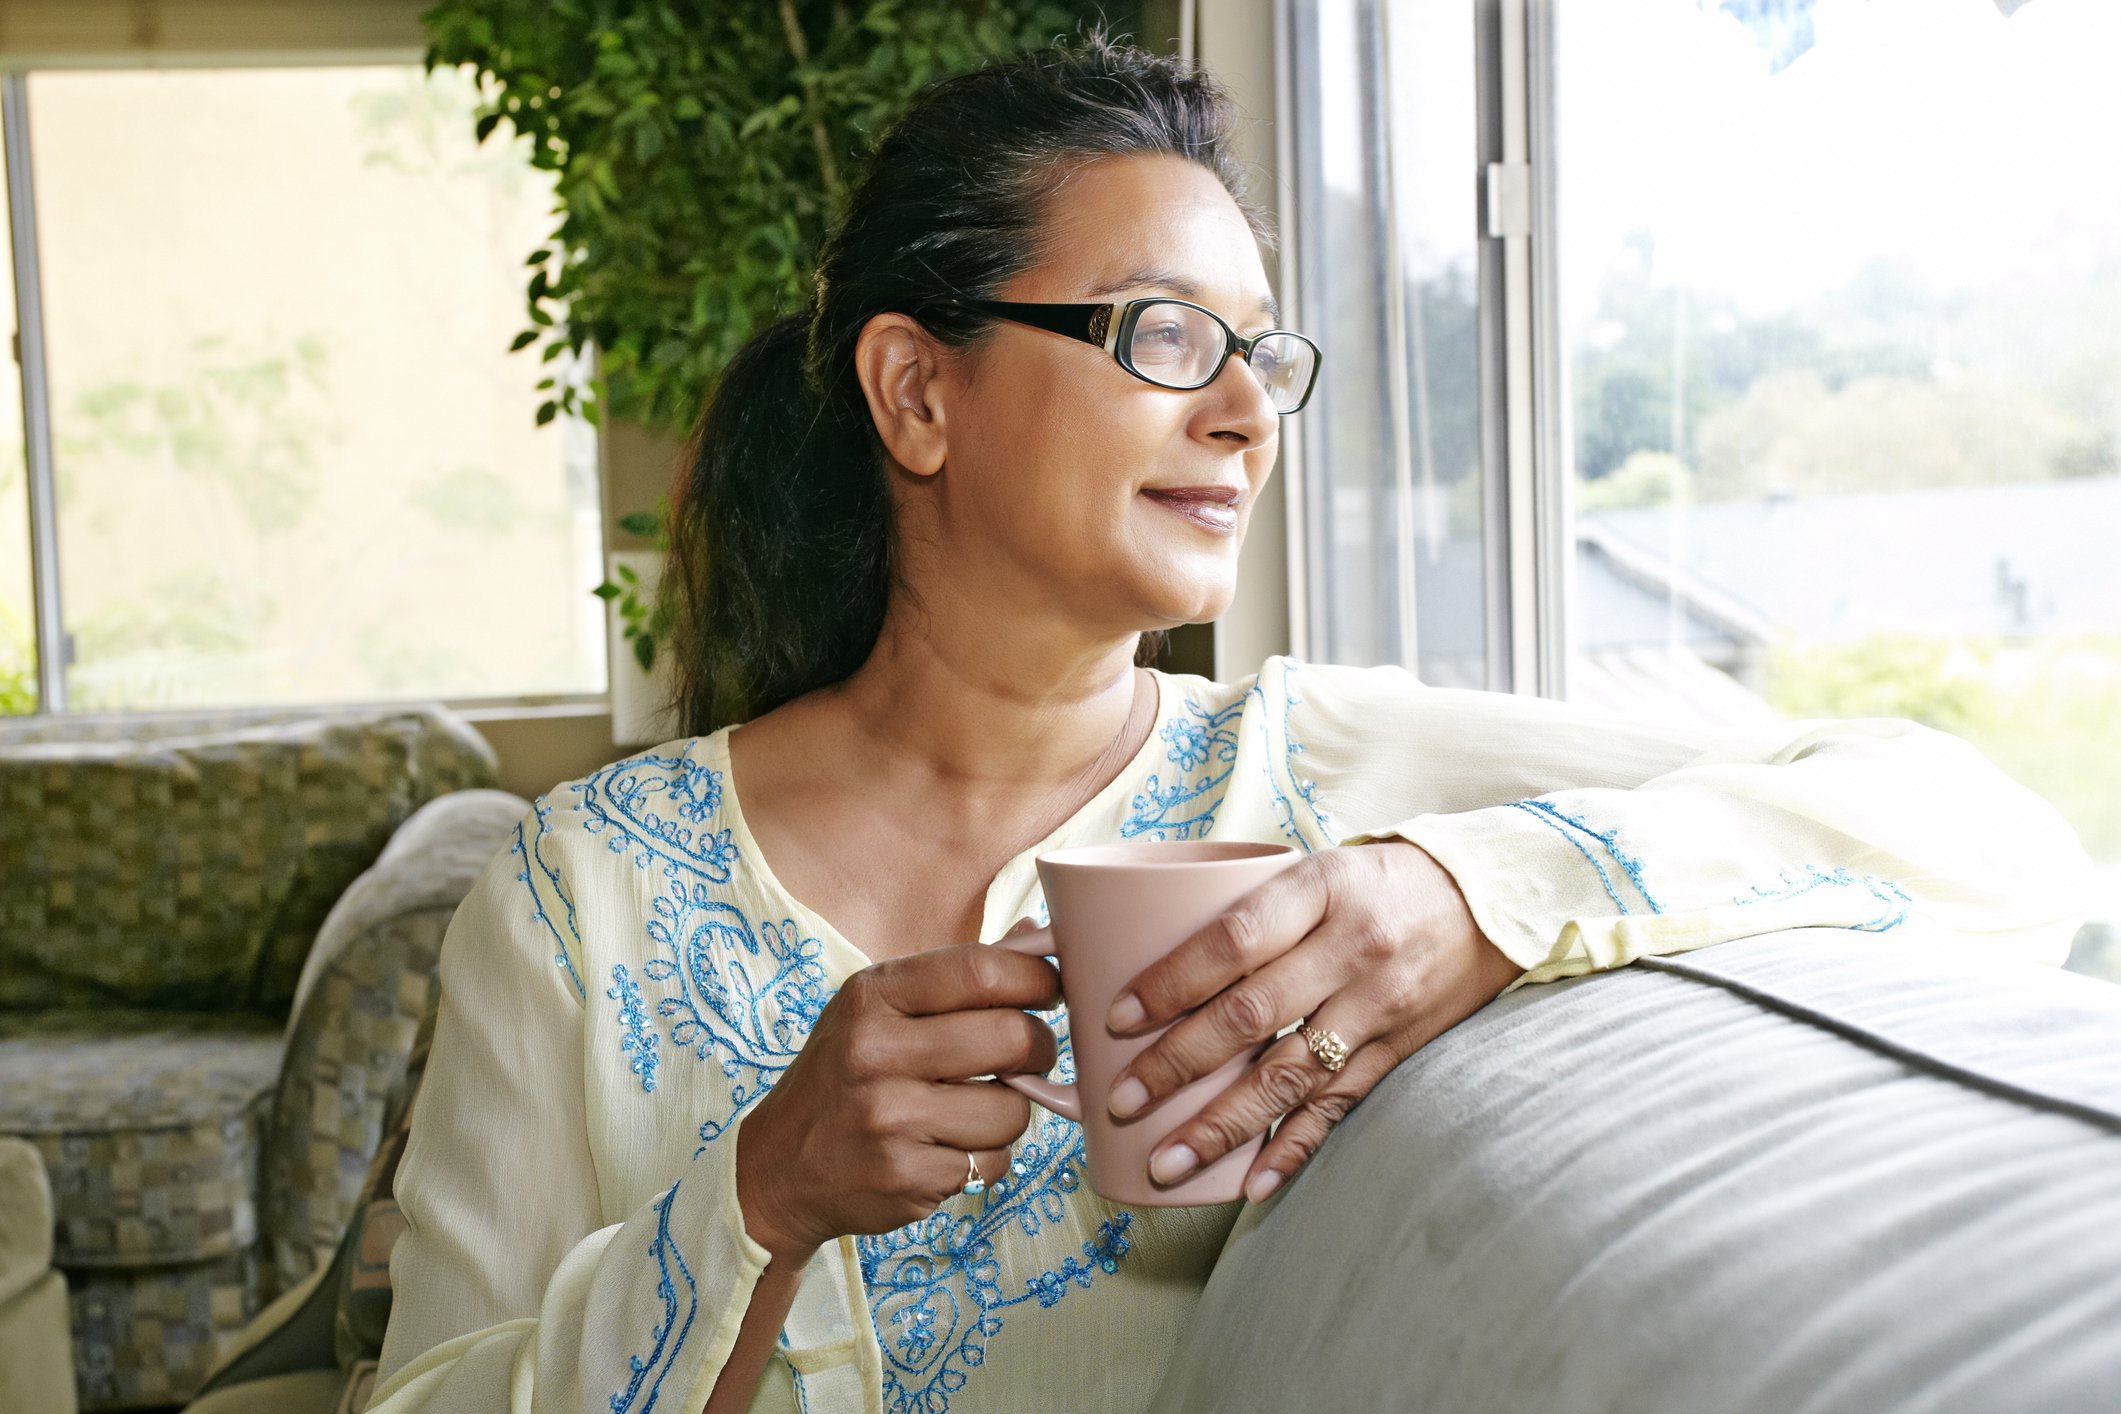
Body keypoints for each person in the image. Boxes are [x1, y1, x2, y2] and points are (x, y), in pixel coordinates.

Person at [368, 35, 2089, 1414]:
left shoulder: (1325, 766)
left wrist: (1456, 899)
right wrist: (757, 1196)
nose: (1246, 414)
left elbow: (1983, 831)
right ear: (918, 391)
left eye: (1264, 357)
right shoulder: (577, 890)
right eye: (1167, 335)